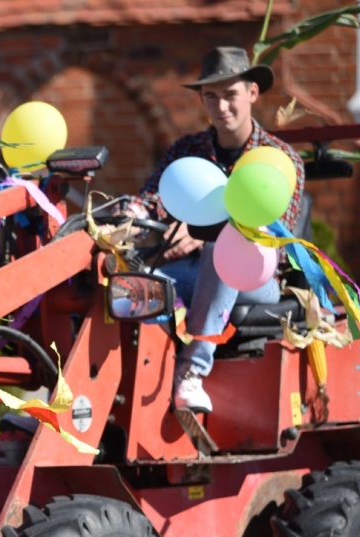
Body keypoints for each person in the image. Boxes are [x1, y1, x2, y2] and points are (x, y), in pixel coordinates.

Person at [130, 46, 305, 413]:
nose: (222, 107)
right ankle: (119, 384)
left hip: (258, 281)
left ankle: (191, 371)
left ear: (252, 94)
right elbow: (151, 197)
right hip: (192, 274)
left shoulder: (280, 160)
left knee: (225, 250)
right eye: (212, 97)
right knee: (128, 282)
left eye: (231, 95)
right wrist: (127, 215)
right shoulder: (186, 150)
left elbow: (275, 239)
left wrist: (199, 235)